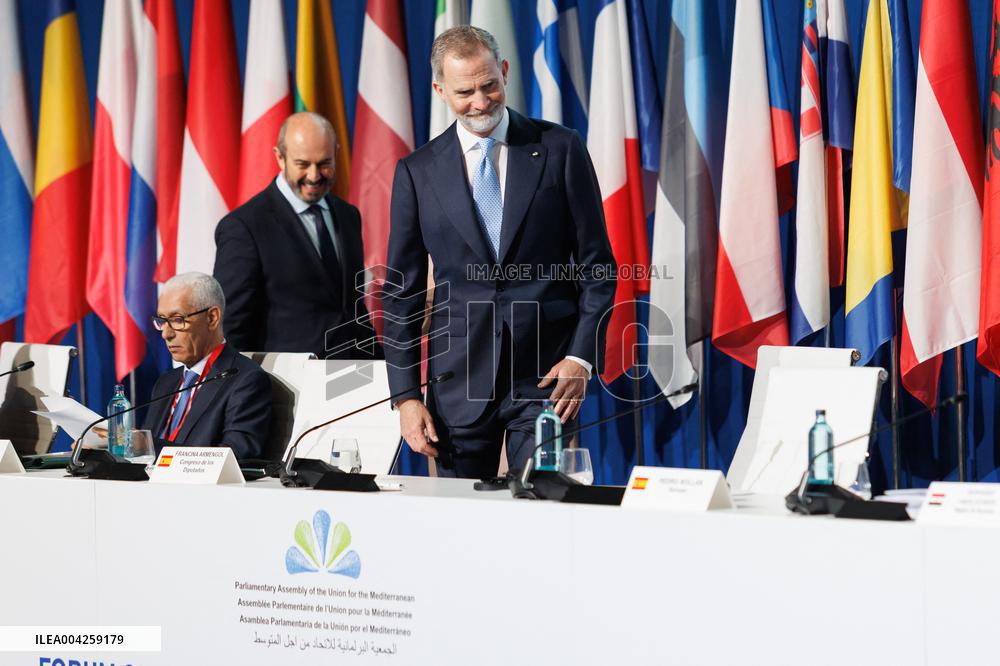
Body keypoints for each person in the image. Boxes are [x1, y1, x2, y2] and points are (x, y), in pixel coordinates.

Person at [383, 26, 616, 478]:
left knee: (543, 503)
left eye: (489, 85)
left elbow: (598, 267)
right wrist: (406, 397)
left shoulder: (560, 148)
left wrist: (581, 358)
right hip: (458, 383)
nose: (480, 101)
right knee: (460, 516)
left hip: (547, 379)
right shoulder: (417, 172)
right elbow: (402, 295)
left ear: (505, 71)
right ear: (440, 91)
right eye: (464, 92)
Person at [213, 112, 376, 360]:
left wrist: (382, 365)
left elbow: (351, 307)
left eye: (324, 163)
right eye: (302, 164)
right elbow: (231, 327)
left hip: (356, 373)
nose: (314, 176)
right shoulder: (244, 227)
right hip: (285, 380)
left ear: (336, 154)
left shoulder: (348, 215)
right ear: (280, 157)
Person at [142, 272, 271, 459]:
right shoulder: (166, 383)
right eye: (162, 321)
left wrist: (146, 445)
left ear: (212, 318)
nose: (166, 334)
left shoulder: (245, 381)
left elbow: (234, 455)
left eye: (177, 320)